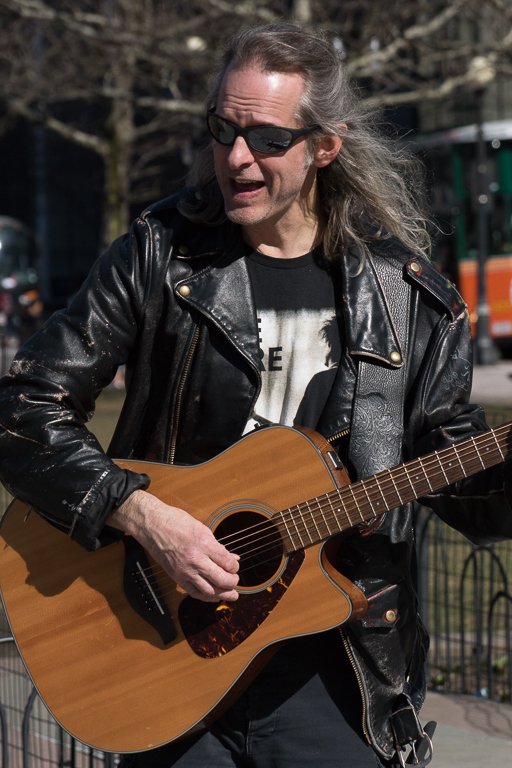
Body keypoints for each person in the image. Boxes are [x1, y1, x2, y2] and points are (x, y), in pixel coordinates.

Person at [0, 21, 511, 768]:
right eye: (223, 130)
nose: (236, 158)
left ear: (323, 147)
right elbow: (22, 408)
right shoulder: (160, 254)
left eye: (267, 139)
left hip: (337, 675)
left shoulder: (406, 298)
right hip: (160, 647)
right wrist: (140, 514)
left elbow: (466, 483)